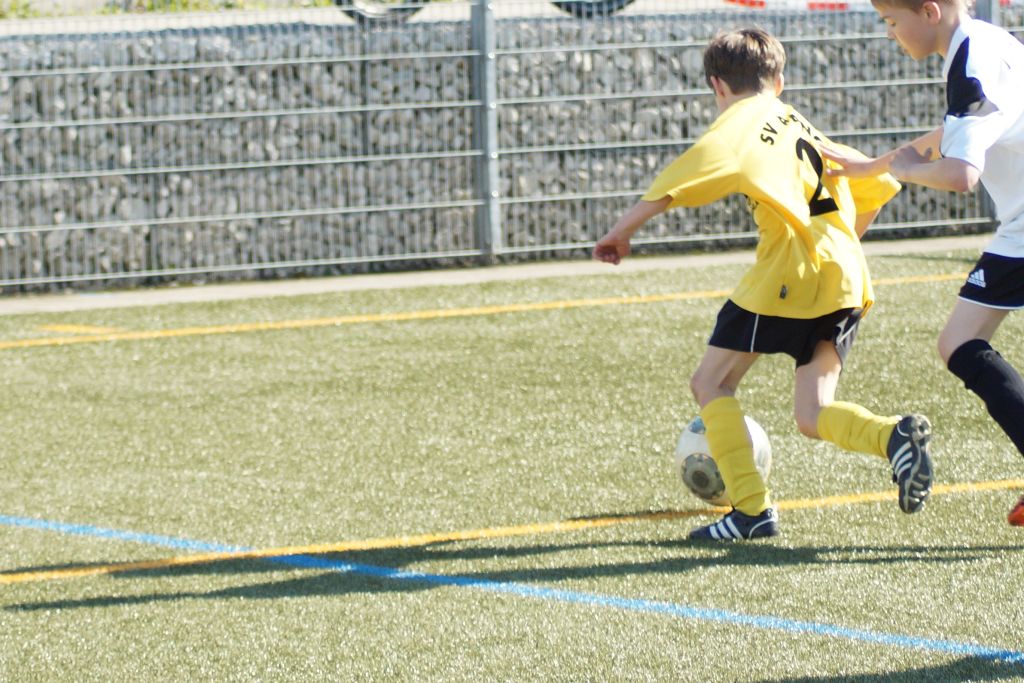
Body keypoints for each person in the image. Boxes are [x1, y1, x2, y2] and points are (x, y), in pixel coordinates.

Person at [593, 28, 934, 541]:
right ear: (779, 80)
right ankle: (893, 437)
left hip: (789, 272)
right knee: (813, 413)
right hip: (846, 273)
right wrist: (838, 248)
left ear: (717, 86)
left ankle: (751, 511)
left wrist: (620, 233)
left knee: (711, 383)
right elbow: (875, 187)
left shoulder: (738, 124)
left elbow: (674, 183)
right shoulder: (796, 121)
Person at [821, 0, 1024, 527]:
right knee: (960, 341)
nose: (890, 33)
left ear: (929, 11)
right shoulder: (986, 41)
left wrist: (906, 171)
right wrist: (876, 165)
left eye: (892, 21)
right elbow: (954, 134)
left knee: (959, 342)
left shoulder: (969, 61)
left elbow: (960, 173)